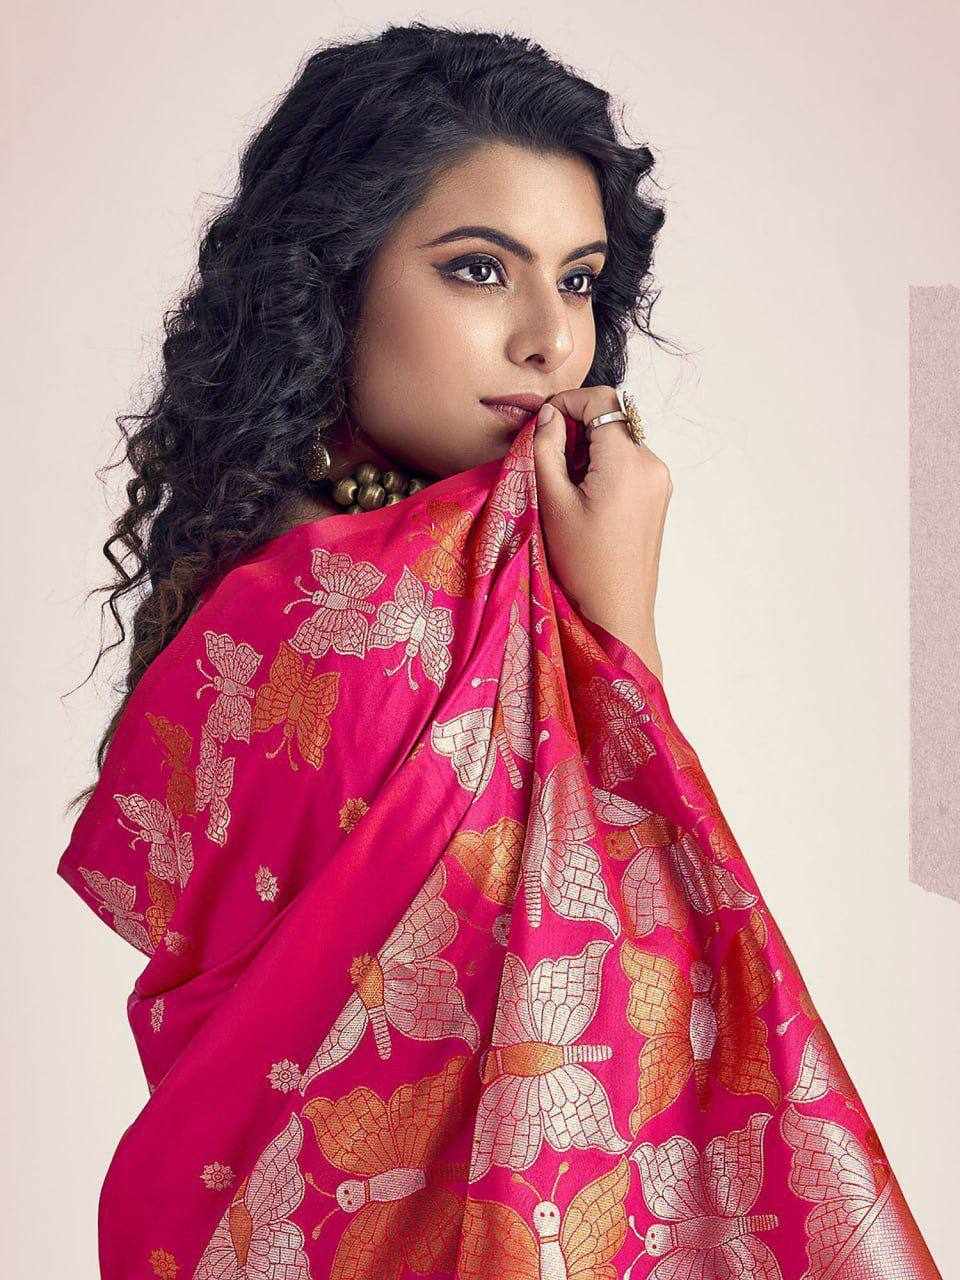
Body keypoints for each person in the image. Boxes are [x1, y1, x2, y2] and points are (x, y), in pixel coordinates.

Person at [57, 22, 941, 1280]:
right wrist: (620, 628)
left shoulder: (285, 590)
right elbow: (627, 999)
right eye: (479, 270)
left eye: (577, 281)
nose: (549, 341)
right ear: (335, 278)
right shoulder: (365, 616)